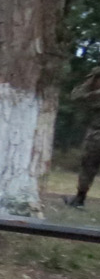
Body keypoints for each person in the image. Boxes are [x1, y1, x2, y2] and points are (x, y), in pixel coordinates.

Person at [63, 66, 100, 208]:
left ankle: (79, 199)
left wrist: (91, 79)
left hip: (97, 135)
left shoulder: (95, 95)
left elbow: (76, 95)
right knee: (88, 166)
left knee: (88, 166)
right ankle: (79, 199)